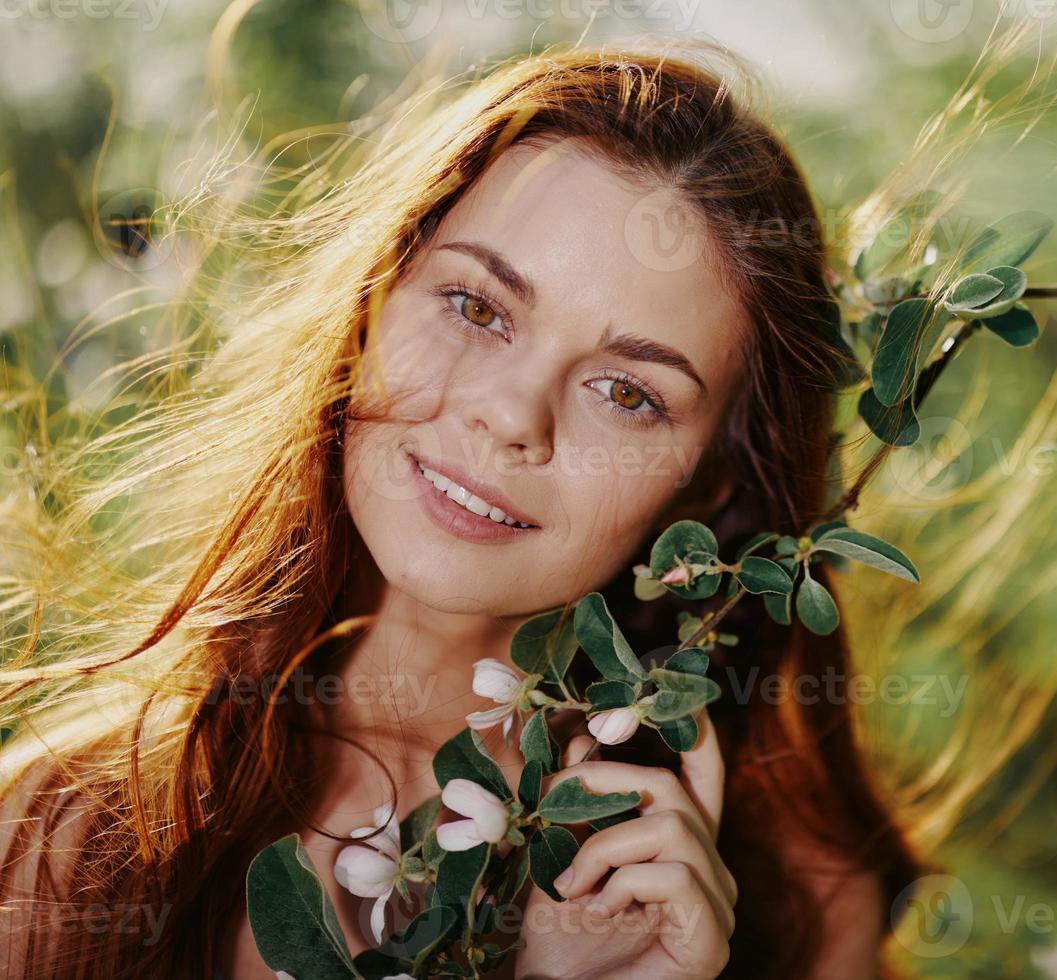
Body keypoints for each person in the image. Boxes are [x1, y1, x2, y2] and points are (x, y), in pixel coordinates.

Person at [0, 43, 928, 979]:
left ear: (707, 485)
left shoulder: (799, 901)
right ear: (370, 304)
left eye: (628, 393)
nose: (513, 416)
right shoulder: (63, 833)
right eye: (476, 308)